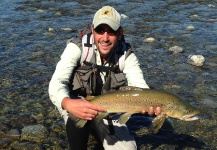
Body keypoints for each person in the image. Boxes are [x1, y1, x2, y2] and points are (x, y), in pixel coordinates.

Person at [49, 6, 161, 150]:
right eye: (100, 30)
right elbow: (57, 82)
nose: (105, 38)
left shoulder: (126, 55)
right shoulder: (77, 48)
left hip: (110, 110)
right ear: (92, 29)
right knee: (78, 118)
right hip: (76, 103)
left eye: (111, 32)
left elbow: (139, 85)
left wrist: (150, 105)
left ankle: (96, 127)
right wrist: (66, 103)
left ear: (120, 33)